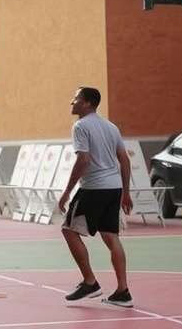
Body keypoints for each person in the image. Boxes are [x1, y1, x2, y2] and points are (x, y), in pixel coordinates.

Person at [58, 87, 134, 308]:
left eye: (76, 99)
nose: (72, 102)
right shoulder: (111, 127)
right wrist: (125, 192)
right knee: (111, 237)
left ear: (88, 103)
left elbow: (83, 160)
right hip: (113, 189)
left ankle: (90, 282)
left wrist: (66, 191)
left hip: (94, 188)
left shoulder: (81, 126)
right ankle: (123, 292)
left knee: (68, 230)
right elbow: (125, 160)